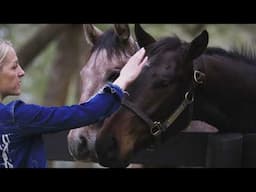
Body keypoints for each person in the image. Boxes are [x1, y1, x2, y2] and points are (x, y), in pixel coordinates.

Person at [0, 39, 148, 168]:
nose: (21, 72)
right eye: (14, 67)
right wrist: (122, 80)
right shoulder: (17, 117)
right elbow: (86, 113)